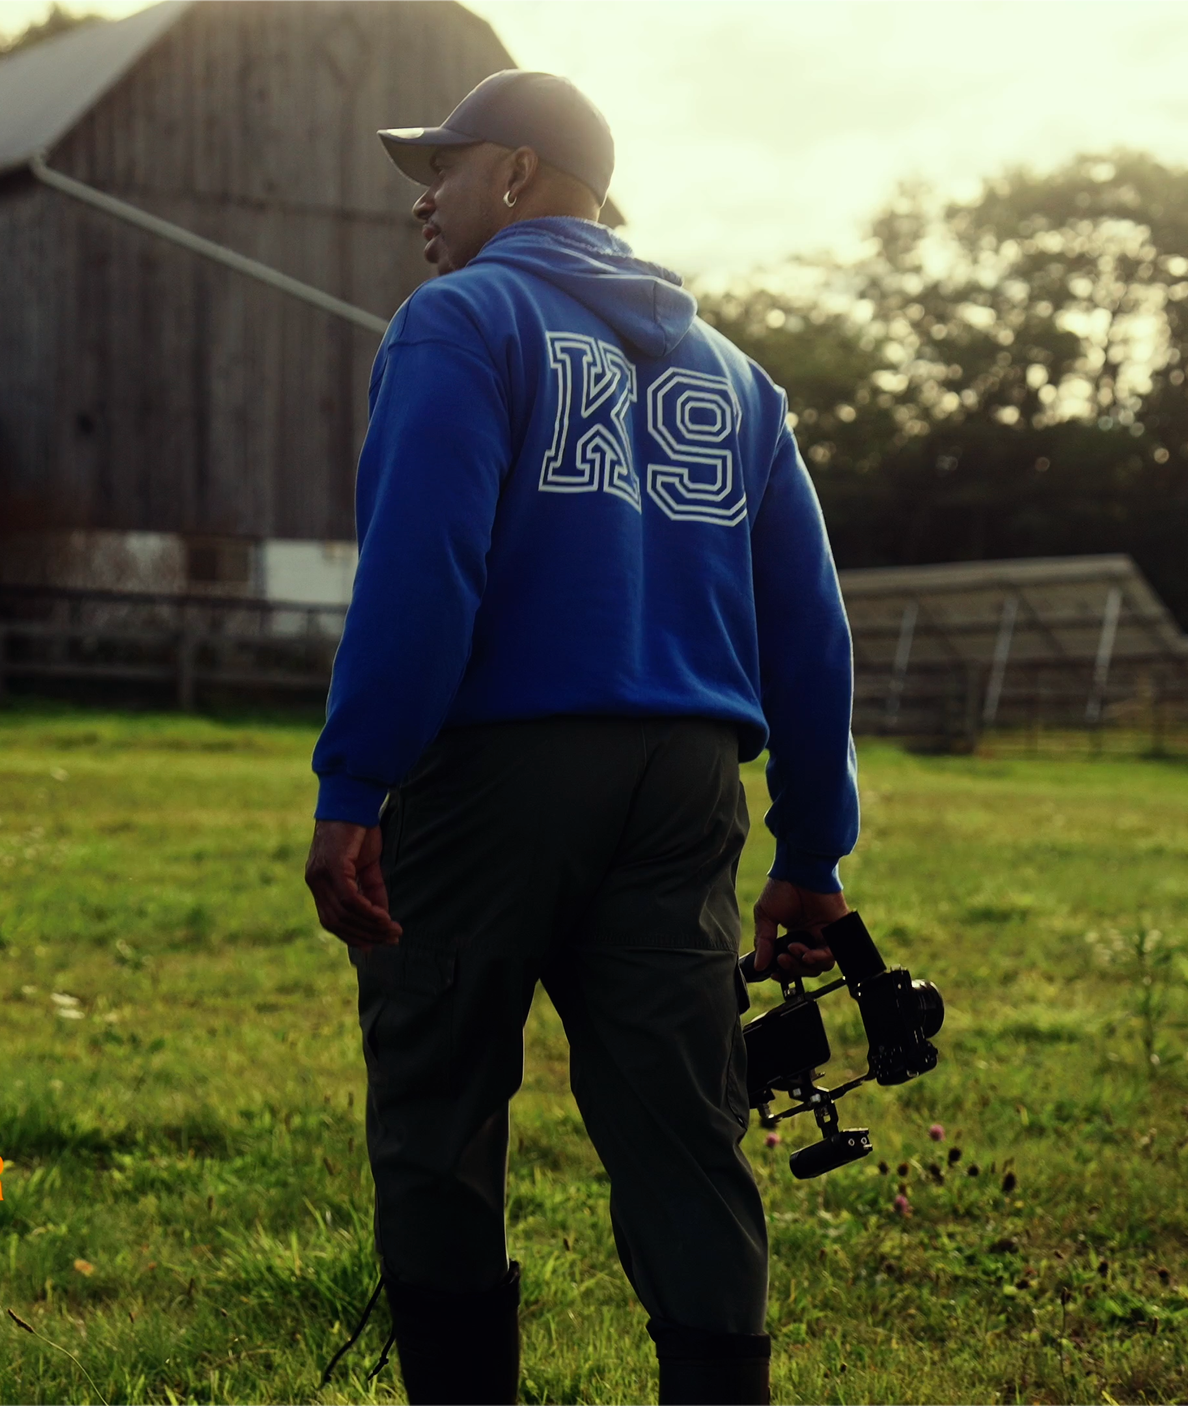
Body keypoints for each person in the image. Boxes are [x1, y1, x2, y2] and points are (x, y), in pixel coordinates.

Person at [303, 69, 858, 1406]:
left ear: (514, 175)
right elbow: (810, 627)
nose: (422, 201)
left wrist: (355, 780)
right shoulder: (740, 381)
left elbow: (423, 572)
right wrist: (813, 854)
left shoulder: (462, 320)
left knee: (440, 1113)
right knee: (687, 1129)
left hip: (495, 779)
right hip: (686, 790)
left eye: (443, 168)